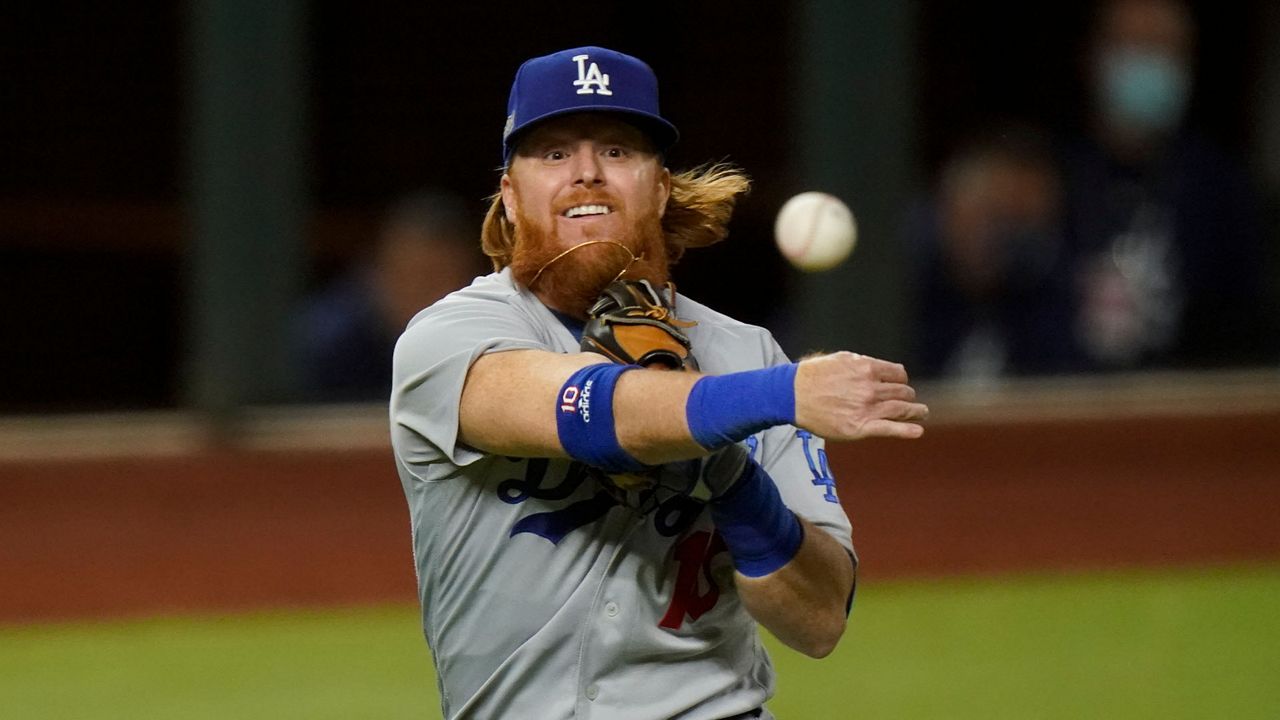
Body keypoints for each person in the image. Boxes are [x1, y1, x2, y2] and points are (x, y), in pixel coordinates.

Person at [390, 46, 928, 719]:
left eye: (618, 151)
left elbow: (819, 620)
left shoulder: (747, 352)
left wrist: (732, 481)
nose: (587, 173)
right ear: (510, 193)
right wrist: (773, 397)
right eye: (554, 154)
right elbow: (595, 416)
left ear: (660, 185)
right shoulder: (451, 339)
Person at [1063, 0, 1273, 369]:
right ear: (1093, 57)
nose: (1148, 64)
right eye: (1134, 46)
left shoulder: (1223, 190)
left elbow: (1246, 333)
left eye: (1164, 50)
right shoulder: (1053, 178)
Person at [907, 125, 1080, 380]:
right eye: (990, 214)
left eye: (1020, 222)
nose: (1000, 236)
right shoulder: (907, 293)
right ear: (950, 206)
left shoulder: (1047, 306)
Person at [294, 191, 482, 401]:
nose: (422, 293)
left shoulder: (488, 337)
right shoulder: (335, 341)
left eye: (438, 278)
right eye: (411, 275)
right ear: (379, 271)